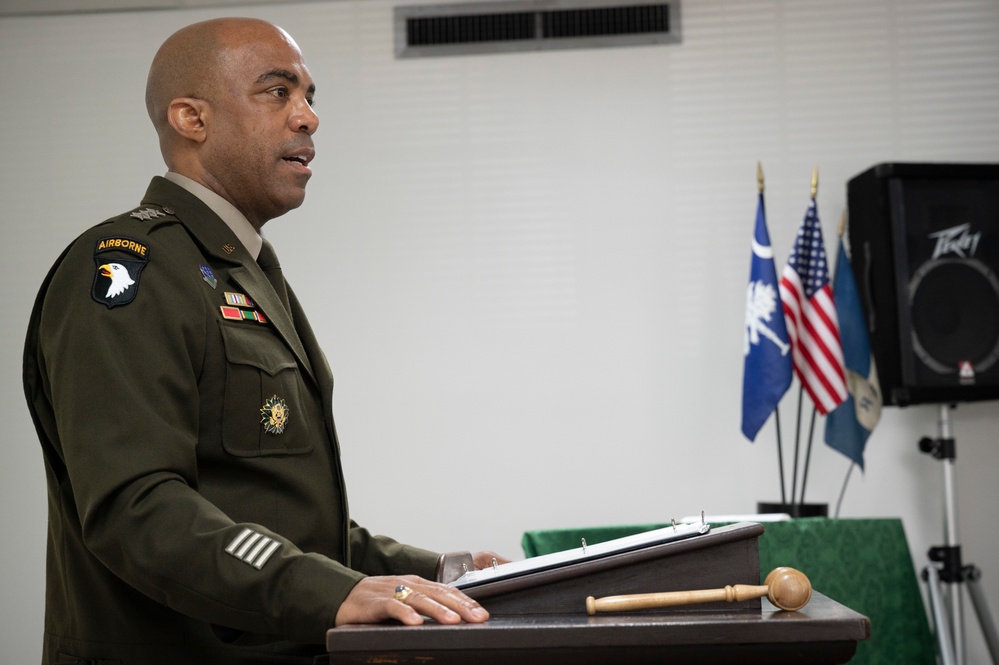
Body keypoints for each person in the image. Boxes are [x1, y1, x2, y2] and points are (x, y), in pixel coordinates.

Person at [23, 17, 505, 665]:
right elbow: (136, 509)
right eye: (277, 92)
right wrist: (328, 590)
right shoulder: (130, 267)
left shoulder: (244, 270)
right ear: (191, 118)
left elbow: (283, 517)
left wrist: (443, 572)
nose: (307, 118)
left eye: (309, 96)